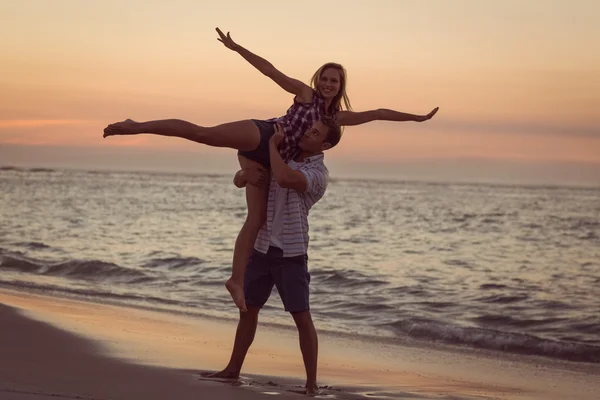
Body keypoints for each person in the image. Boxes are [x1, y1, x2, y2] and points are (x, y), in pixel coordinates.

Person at [103, 27, 439, 312]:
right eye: (324, 78)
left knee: (257, 220)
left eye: (334, 81)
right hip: (264, 133)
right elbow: (270, 70)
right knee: (202, 133)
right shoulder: (304, 94)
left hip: (270, 160)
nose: (327, 83)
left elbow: (379, 112)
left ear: (341, 86)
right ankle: (137, 125)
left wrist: (417, 118)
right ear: (317, 80)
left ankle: (235, 280)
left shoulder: (336, 119)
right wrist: (237, 48)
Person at [206, 118, 340, 395]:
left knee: (302, 317)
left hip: (291, 253)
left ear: (324, 145)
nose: (306, 132)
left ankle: (311, 384)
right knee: (248, 311)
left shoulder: (318, 173)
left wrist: (272, 147)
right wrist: (243, 176)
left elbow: (284, 178)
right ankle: (232, 369)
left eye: (314, 132)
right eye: (309, 127)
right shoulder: (284, 154)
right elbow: (241, 178)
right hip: (263, 247)